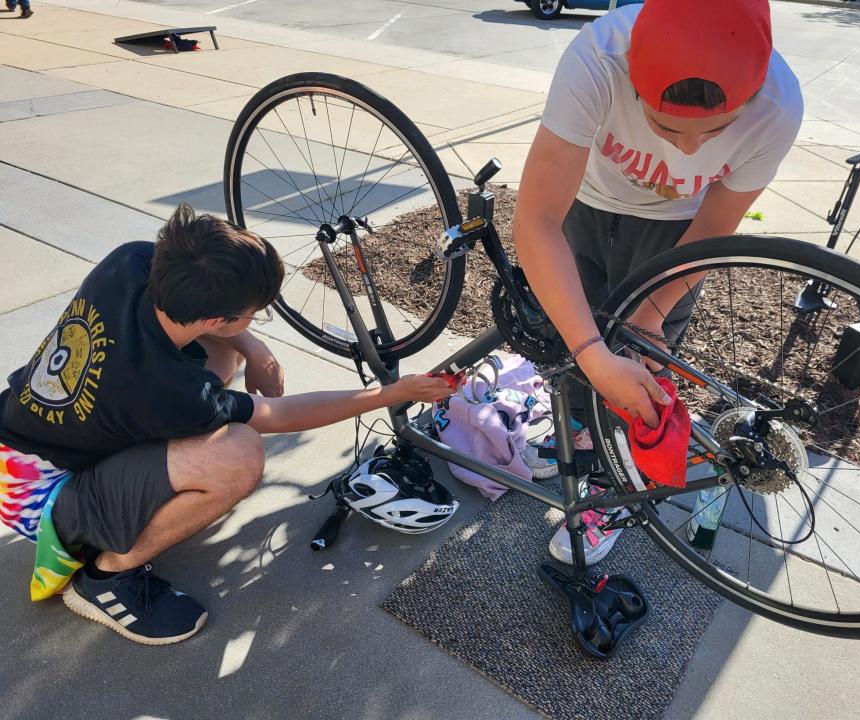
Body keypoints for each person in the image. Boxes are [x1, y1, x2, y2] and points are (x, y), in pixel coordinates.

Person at [0, 203, 454, 645]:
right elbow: (281, 415)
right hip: (35, 491)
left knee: (222, 351)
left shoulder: (133, 259)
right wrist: (393, 394)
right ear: (219, 315)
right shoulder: (166, 391)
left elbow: (216, 330)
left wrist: (254, 349)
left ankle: (133, 495)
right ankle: (106, 577)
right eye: (253, 314)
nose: (252, 322)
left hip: (26, 428)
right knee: (237, 455)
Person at [512, 0, 803, 565]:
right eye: (664, 126)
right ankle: (578, 428)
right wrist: (593, 355)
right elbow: (536, 220)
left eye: (716, 131)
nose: (686, 149)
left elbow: (715, 226)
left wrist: (651, 313)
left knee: (646, 360)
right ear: (634, 85)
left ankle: (618, 485)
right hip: (586, 201)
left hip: (678, 226)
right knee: (572, 333)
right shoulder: (598, 57)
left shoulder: (778, 105)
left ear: (750, 98)